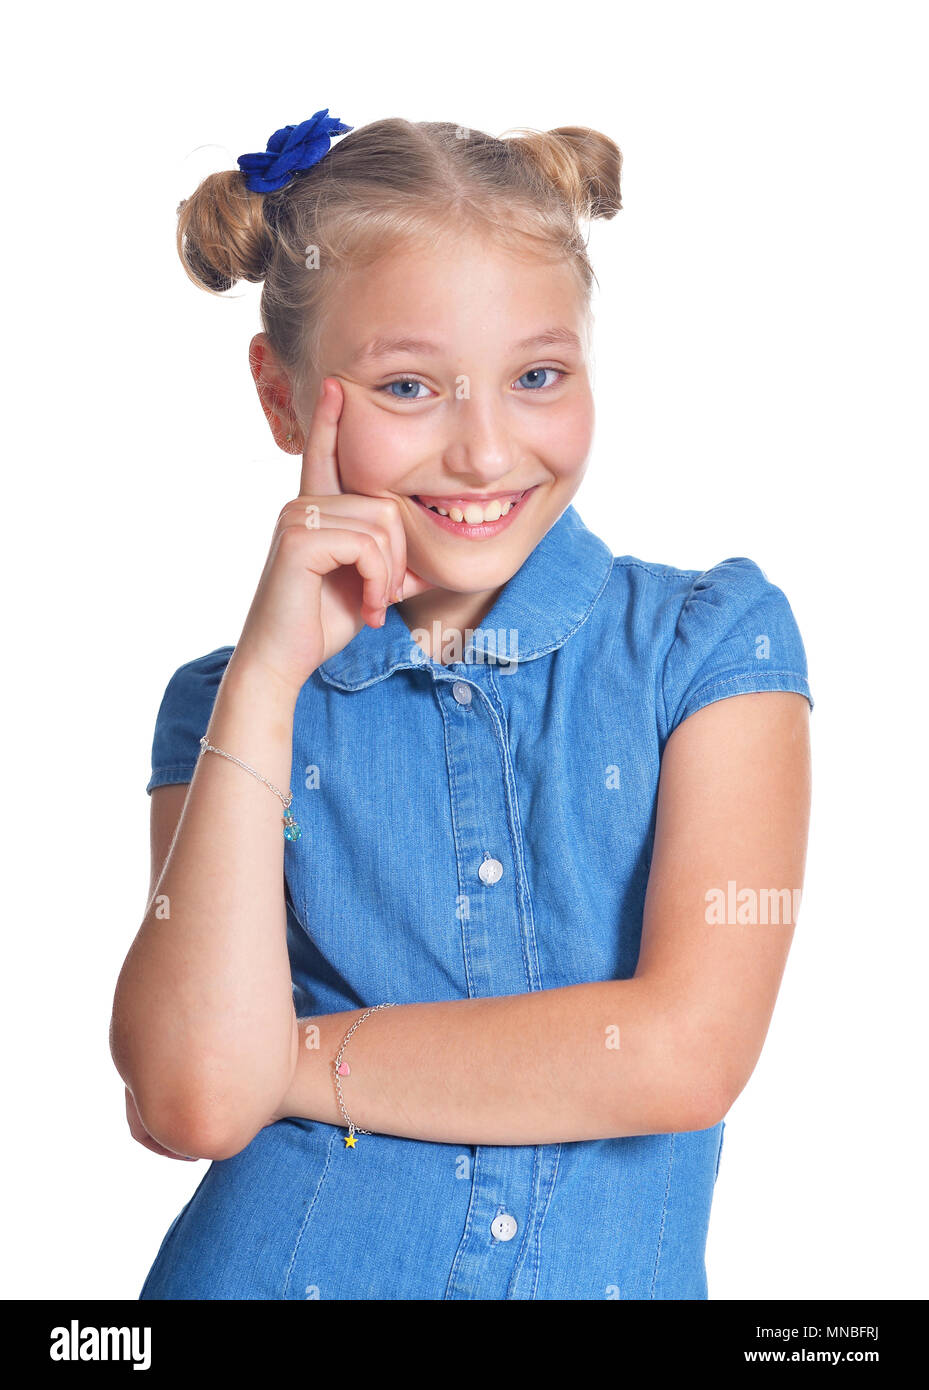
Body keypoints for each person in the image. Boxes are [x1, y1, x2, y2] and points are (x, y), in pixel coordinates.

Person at [110, 110, 814, 1301]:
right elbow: (188, 1097)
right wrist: (271, 676)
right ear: (284, 400)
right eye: (407, 386)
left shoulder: (707, 646)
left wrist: (281, 1061)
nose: (486, 453)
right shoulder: (224, 707)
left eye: (536, 376)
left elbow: (681, 1055)